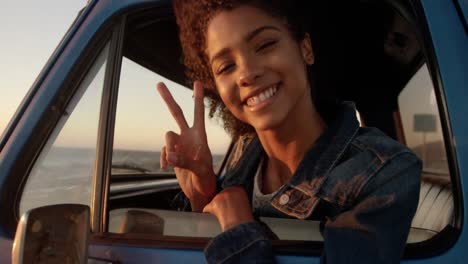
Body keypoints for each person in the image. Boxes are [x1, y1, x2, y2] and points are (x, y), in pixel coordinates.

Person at [156, 1, 422, 263]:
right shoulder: (243, 157)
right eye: (226, 66)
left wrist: (240, 233)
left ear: (305, 48)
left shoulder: (385, 172)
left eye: (265, 45)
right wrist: (202, 193)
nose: (247, 73)